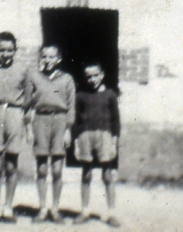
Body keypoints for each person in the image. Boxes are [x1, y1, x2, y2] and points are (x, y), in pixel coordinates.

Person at [0, 32, 29, 223]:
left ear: (15, 50)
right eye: (2, 49)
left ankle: (8, 206)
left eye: (10, 50)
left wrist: (24, 117)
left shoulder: (23, 71)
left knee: (11, 162)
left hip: (15, 114)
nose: (6, 53)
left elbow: (28, 96)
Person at [25, 45, 75, 224]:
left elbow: (71, 106)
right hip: (40, 120)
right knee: (41, 168)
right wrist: (28, 128)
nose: (47, 60)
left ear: (58, 59)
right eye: (44, 56)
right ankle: (42, 208)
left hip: (60, 122)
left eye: (52, 57)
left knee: (57, 169)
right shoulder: (33, 76)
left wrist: (68, 130)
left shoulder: (67, 79)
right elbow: (27, 105)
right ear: (40, 58)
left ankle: (55, 209)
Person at [73, 63, 121, 227]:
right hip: (86, 135)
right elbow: (77, 121)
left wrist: (114, 142)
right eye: (89, 76)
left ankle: (110, 213)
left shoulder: (110, 95)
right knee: (86, 174)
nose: (92, 79)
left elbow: (116, 120)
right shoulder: (81, 96)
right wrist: (77, 142)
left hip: (105, 135)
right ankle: (85, 211)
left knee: (107, 174)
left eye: (95, 75)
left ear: (102, 75)